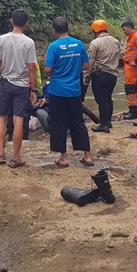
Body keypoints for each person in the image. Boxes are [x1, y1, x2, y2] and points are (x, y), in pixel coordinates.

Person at [45, 17, 94, 168]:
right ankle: (87, 156)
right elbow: (86, 65)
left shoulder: (53, 46)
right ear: (68, 28)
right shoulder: (79, 44)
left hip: (57, 91)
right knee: (78, 122)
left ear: (55, 31)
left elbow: (47, 69)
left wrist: (58, 70)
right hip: (74, 90)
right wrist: (73, 70)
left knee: (59, 123)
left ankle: (64, 158)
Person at [0, 9, 38, 168]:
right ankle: (15, 157)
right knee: (18, 119)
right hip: (21, 85)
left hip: (5, 83)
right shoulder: (29, 42)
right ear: (27, 24)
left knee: (1, 117)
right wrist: (34, 90)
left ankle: (0, 153)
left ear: (11, 21)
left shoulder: (2, 39)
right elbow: (31, 68)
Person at [87, 20, 122, 133]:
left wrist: (87, 74)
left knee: (101, 100)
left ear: (95, 30)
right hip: (113, 74)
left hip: (100, 74)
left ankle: (103, 124)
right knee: (108, 98)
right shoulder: (116, 41)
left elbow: (91, 61)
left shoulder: (95, 43)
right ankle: (108, 121)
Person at [121, 21, 137, 120]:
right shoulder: (132, 37)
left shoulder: (136, 36)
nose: (124, 32)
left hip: (132, 66)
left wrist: (136, 61)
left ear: (128, 27)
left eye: (124, 29)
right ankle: (133, 109)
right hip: (129, 66)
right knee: (131, 87)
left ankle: (134, 111)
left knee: (130, 87)